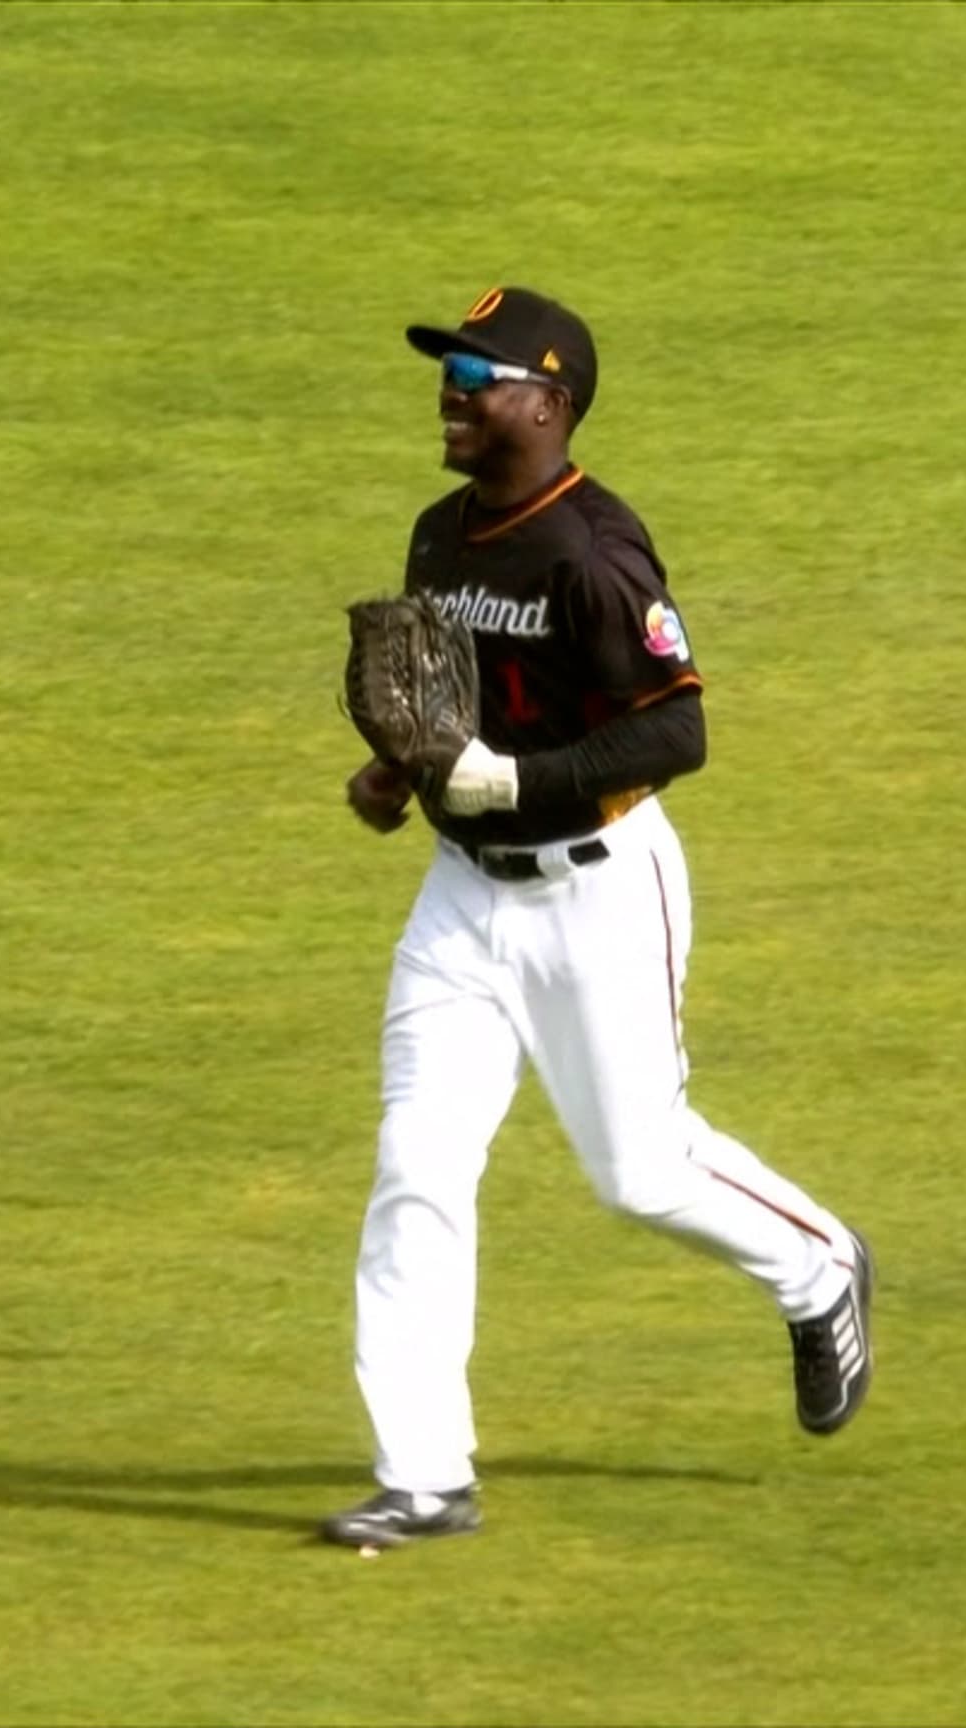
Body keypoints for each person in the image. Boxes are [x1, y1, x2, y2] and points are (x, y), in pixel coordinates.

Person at [322, 286, 874, 1552]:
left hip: (600, 887)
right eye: (446, 369)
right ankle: (423, 1474)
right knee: (418, 1165)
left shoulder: (594, 552)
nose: (451, 391)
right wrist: (399, 777)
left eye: (475, 370)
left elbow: (679, 727)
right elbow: (448, 705)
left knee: (639, 1173)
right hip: (461, 904)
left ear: (548, 402)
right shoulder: (438, 536)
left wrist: (518, 783)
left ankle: (820, 1267)